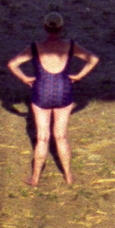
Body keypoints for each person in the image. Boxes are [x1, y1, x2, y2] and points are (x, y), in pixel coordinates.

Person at [7, 13, 99, 187]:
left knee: (42, 138)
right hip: (63, 90)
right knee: (61, 136)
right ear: (61, 28)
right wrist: (79, 76)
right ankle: (69, 176)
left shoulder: (35, 47)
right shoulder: (70, 46)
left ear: (44, 28)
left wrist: (25, 79)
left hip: (41, 91)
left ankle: (35, 179)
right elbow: (93, 60)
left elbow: (12, 64)